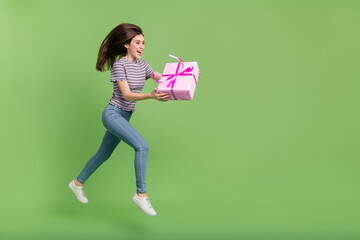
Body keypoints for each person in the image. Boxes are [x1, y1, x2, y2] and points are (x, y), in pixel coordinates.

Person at [68, 23, 201, 217]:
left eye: (143, 43)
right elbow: (128, 95)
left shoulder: (143, 65)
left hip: (124, 116)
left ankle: (77, 183)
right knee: (142, 146)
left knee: (103, 155)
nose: (142, 46)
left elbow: (164, 78)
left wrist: (190, 76)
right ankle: (141, 194)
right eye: (137, 42)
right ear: (126, 44)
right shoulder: (119, 66)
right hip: (113, 114)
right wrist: (151, 95)